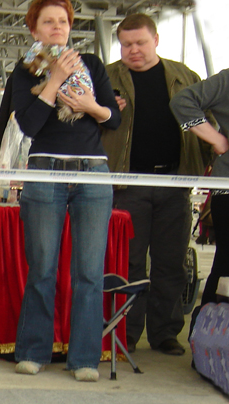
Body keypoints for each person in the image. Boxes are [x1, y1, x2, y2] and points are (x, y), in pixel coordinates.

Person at [12, 0, 121, 382]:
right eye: (48, 21)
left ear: (71, 26)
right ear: (34, 29)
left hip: (93, 173)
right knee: (42, 267)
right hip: (45, 170)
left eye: (63, 21)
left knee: (89, 271)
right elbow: (28, 124)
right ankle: (33, 351)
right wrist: (54, 80)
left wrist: (92, 106)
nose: (57, 27)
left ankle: (85, 357)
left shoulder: (92, 65)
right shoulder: (26, 70)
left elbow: (114, 118)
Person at [101, 13, 210, 356]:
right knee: (129, 261)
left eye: (140, 43)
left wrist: (205, 161)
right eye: (126, 44)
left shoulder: (185, 76)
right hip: (126, 184)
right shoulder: (106, 76)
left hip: (175, 181)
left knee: (171, 261)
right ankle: (128, 331)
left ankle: (165, 333)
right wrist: (103, 110)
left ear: (156, 40)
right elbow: (83, 121)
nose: (133, 51)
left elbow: (204, 120)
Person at [170, 69, 229, 306]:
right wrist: (216, 139)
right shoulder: (227, 80)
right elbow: (181, 101)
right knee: (226, 264)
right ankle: (209, 335)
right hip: (228, 188)